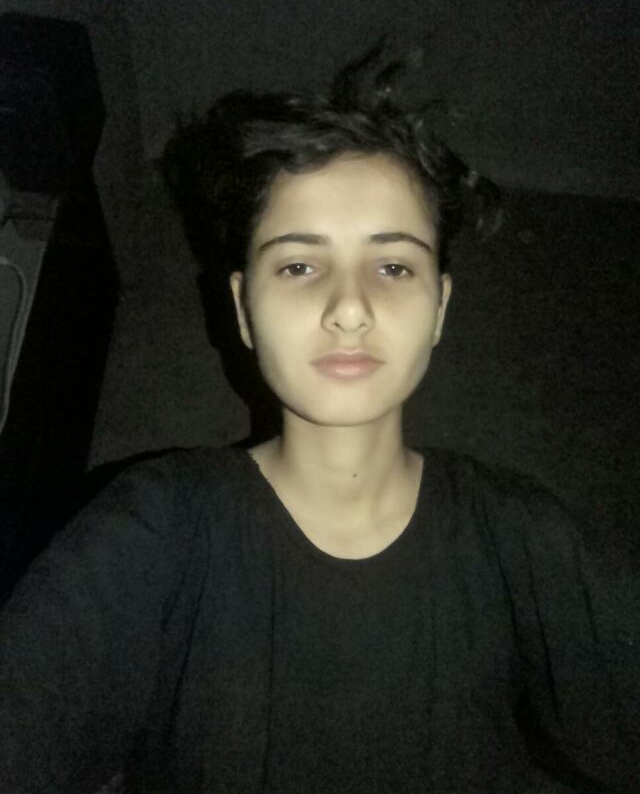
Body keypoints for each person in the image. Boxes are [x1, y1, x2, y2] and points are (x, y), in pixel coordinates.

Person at [1, 44, 638, 793]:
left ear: (439, 307)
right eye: (299, 265)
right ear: (243, 309)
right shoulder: (157, 523)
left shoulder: (521, 535)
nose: (349, 307)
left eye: (393, 266)